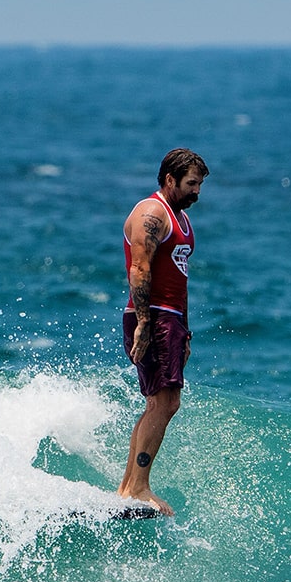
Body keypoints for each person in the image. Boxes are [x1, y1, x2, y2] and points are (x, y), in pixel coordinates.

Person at [118, 147, 208, 514]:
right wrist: (144, 323)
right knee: (165, 402)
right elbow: (139, 269)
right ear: (170, 179)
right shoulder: (152, 214)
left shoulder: (181, 218)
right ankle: (138, 487)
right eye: (191, 184)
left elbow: (179, 280)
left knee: (160, 402)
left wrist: (185, 332)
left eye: (199, 185)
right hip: (153, 317)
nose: (196, 192)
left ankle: (128, 486)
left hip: (170, 320)